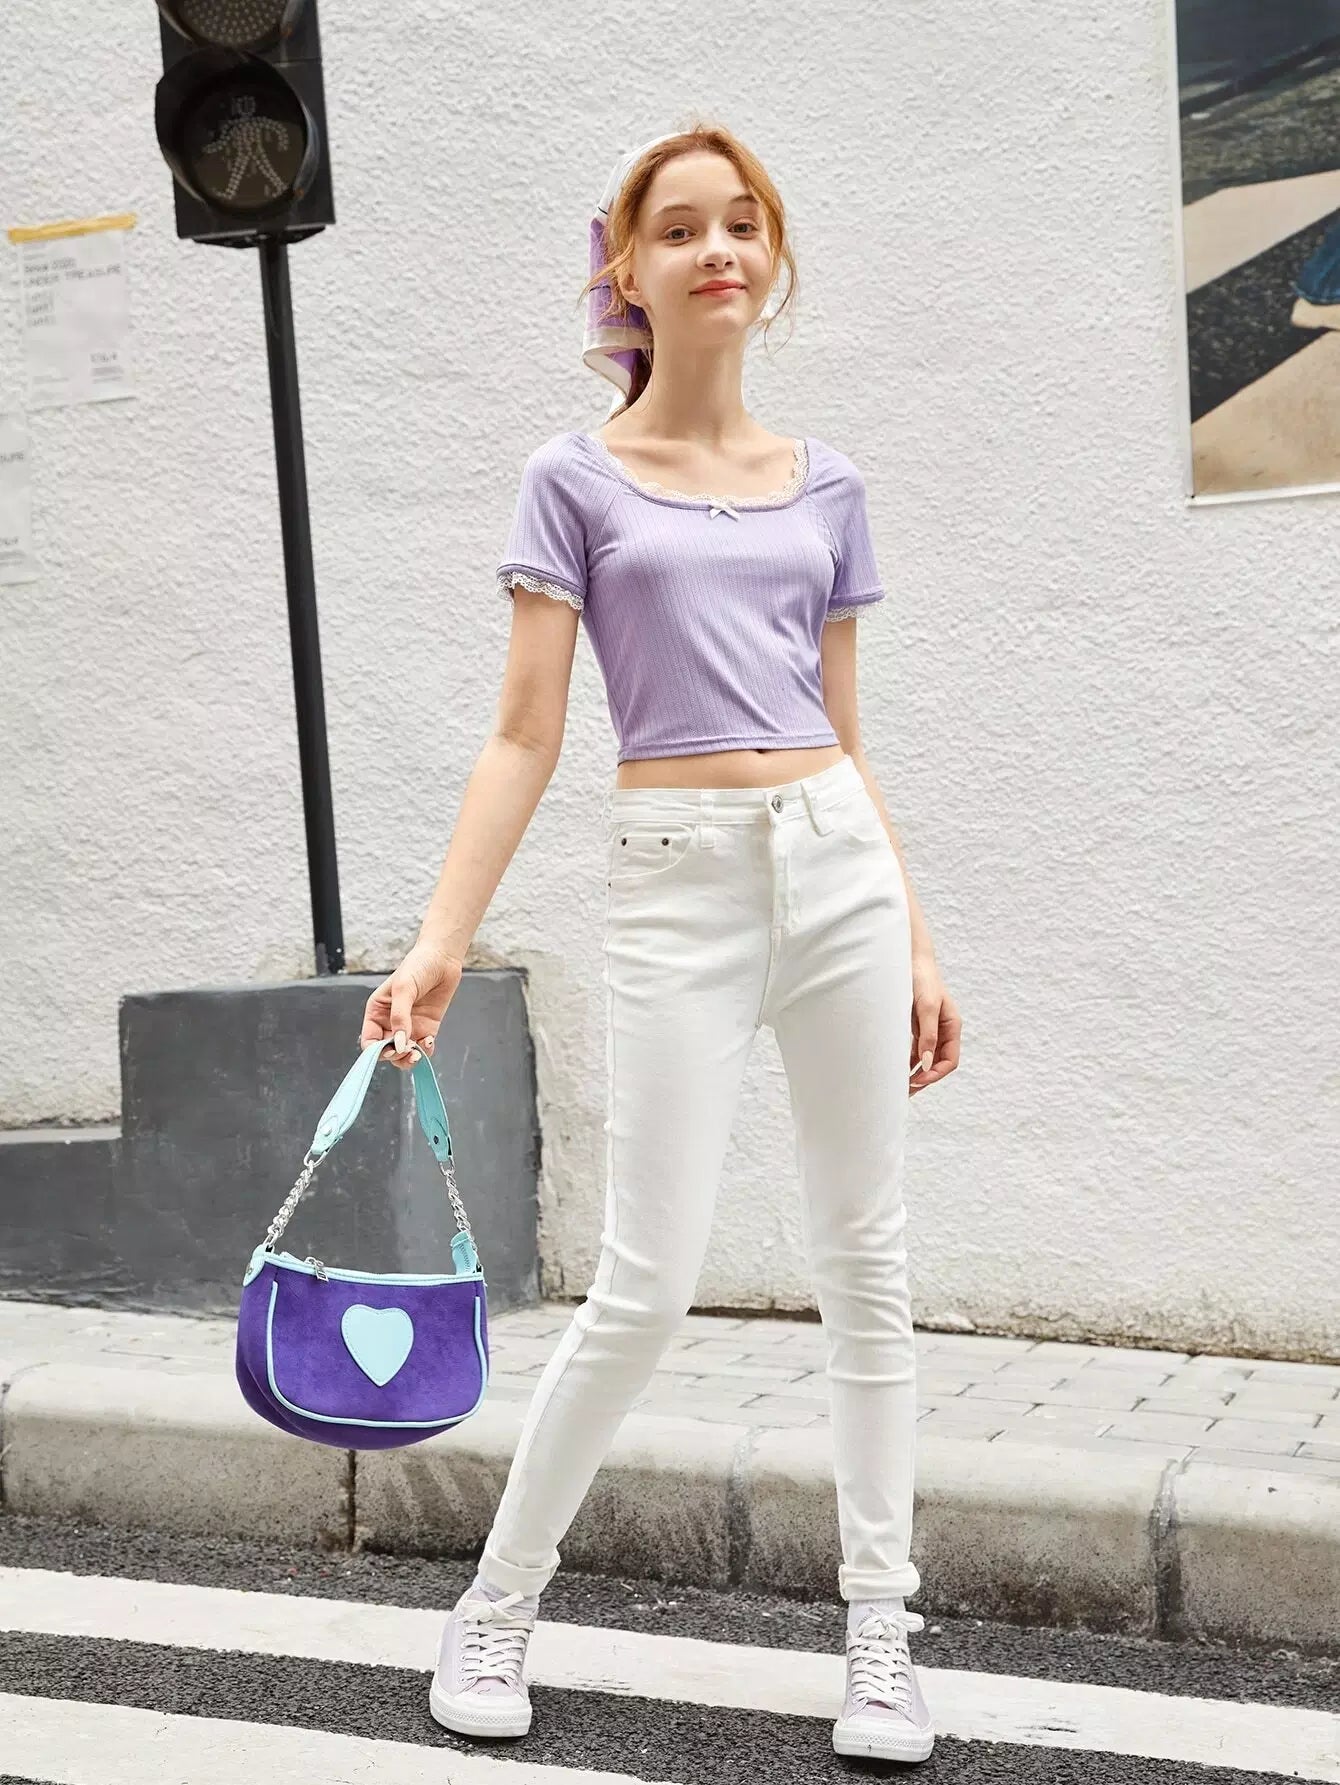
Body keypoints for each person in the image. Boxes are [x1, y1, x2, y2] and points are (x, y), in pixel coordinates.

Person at [359, 120, 960, 1767]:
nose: (717, 249)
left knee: (868, 1267)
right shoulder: (573, 479)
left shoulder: (828, 484)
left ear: (773, 259)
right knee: (644, 1283)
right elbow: (523, 731)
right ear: (624, 268)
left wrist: (913, 933)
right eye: (680, 227)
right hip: (676, 879)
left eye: (742, 223)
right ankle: (496, 1601)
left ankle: (883, 1634)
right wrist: (440, 941)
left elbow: (846, 733)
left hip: (835, 867)